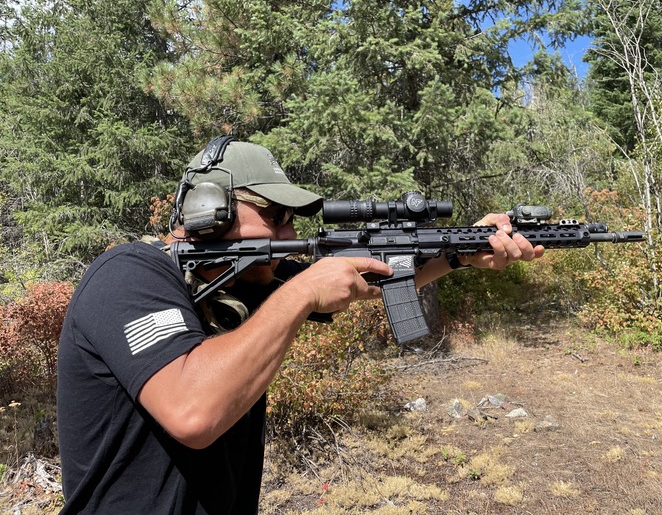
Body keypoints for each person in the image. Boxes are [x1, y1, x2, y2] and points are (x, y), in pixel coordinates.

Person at [56, 139, 544, 514]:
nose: (289, 234)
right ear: (209, 208)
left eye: (291, 219)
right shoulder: (128, 275)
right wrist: (302, 291)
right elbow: (193, 412)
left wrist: (460, 250)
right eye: (276, 216)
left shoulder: (248, 280)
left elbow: (375, 278)